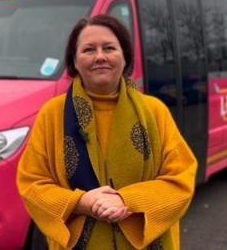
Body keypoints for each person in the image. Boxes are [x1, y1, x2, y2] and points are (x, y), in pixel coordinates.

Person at [16, 15, 197, 250]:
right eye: (89, 49)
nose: (100, 56)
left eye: (109, 48)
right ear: (75, 60)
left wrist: (127, 200)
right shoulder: (53, 114)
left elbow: (181, 180)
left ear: (125, 57)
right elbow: (32, 184)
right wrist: (81, 202)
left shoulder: (154, 111)